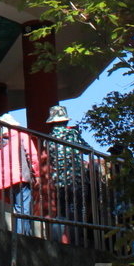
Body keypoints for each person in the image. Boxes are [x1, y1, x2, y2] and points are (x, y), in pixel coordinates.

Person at [0, 114, 38, 235]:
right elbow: (33, 156)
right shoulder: (22, 136)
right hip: (21, 177)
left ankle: (21, 234)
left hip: (5, 181)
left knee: (17, 208)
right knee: (23, 208)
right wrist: (36, 174)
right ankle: (22, 236)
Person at [44, 104, 92, 246]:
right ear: (65, 120)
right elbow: (88, 150)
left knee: (61, 212)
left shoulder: (49, 137)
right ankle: (75, 241)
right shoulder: (73, 134)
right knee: (76, 211)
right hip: (75, 179)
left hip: (58, 180)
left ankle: (59, 241)